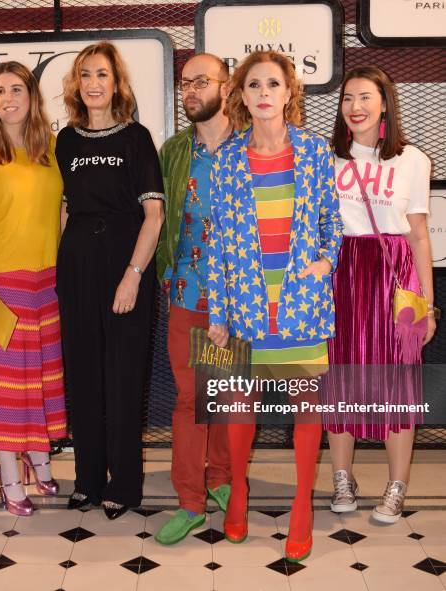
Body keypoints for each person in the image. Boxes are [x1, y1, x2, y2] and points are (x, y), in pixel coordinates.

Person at [207, 50, 342, 561]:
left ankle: (303, 505)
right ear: (241, 95)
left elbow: (332, 222)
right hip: (244, 305)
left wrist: (325, 263)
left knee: (307, 413)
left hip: (301, 304)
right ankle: (237, 492)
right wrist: (218, 313)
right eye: (254, 85)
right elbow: (217, 242)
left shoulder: (314, 151)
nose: (264, 92)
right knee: (238, 411)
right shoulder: (225, 160)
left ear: (290, 93)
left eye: (274, 84)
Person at [55, 41, 165, 520]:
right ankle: (87, 480)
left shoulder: (137, 138)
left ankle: (124, 483)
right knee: (82, 377)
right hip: (78, 268)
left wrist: (132, 276)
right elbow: (64, 208)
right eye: (85, 75)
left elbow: (155, 215)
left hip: (126, 267)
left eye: (102, 74)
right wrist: (64, 269)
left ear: (116, 83)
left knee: (122, 378)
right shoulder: (67, 141)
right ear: (76, 85)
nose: (93, 84)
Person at [324, 65, 436, 523]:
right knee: (340, 379)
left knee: (400, 382)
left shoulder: (413, 160)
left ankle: (396, 485)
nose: (356, 107)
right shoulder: (326, 158)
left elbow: (420, 235)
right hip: (341, 275)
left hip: (398, 277)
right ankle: (342, 478)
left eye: (365, 97)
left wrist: (428, 304)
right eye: (348, 98)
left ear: (385, 102)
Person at [0, 61, 67, 516]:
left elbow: (63, 212)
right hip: (0, 285)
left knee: (42, 381)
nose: (9, 98)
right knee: (8, 389)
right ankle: (9, 475)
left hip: (48, 281)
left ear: (32, 95)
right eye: (0, 91)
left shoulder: (51, 146)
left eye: (17, 89)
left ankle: (38, 458)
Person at [153, 53, 232, 545]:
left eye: (201, 82)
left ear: (227, 87)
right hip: (186, 289)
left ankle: (223, 481)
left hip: (237, 295)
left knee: (226, 395)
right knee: (189, 398)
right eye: (185, 83)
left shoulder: (250, 147)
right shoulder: (175, 150)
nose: (190, 91)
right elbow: (159, 216)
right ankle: (189, 501)